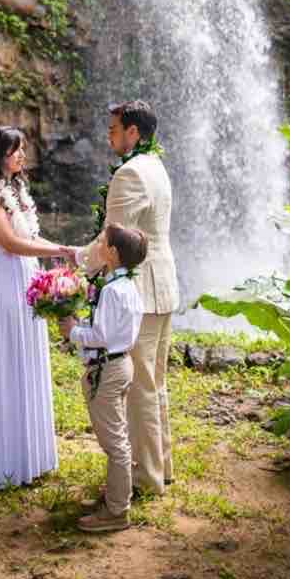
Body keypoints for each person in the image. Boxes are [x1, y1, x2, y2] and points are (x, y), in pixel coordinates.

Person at [77, 99, 177, 498]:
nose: (109, 136)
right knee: (155, 384)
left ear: (133, 132)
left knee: (139, 389)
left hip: (142, 291)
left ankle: (147, 478)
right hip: (163, 285)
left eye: (114, 129)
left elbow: (111, 239)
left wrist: (73, 265)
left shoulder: (130, 173)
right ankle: (160, 467)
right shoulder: (156, 166)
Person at [0, 126, 75, 488]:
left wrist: (61, 249)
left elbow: (29, 237)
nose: (22, 156)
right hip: (3, 279)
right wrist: (59, 252)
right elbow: (11, 243)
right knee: (7, 359)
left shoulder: (16, 190)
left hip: (26, 276)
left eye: (23, 149)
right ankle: (4, 461)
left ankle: (32, 454)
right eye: (16, 150)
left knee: (27, 357)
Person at [59, 223, 149, 533]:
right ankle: (115, 496)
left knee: (115, 443)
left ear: (111, 253)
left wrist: (73, 331)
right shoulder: (126, 286)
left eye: (102, 241)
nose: (97, 245)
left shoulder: (112, 291)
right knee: (117, 436)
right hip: (120, 366)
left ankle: (117, 511)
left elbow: (102, 335)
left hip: (108, 370)